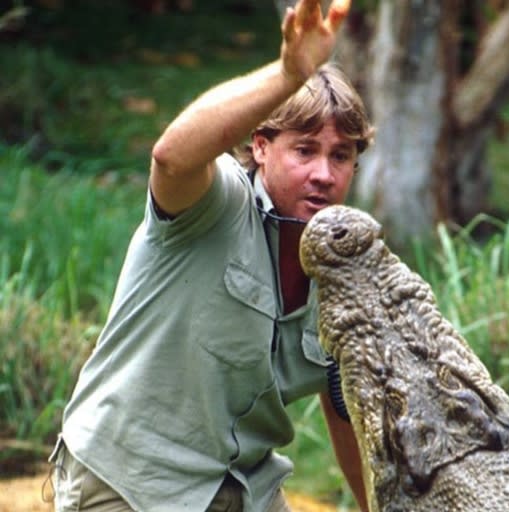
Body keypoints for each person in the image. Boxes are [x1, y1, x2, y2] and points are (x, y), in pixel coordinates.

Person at [48, 0, 374, 510]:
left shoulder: (344, 273)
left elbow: (345, 408)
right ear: (262, 147)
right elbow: (171, 156)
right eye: (305, 150)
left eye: (341, 156)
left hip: (243, 487)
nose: (324, 174)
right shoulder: (215, 203)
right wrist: (288, 75)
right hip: (129, 481)